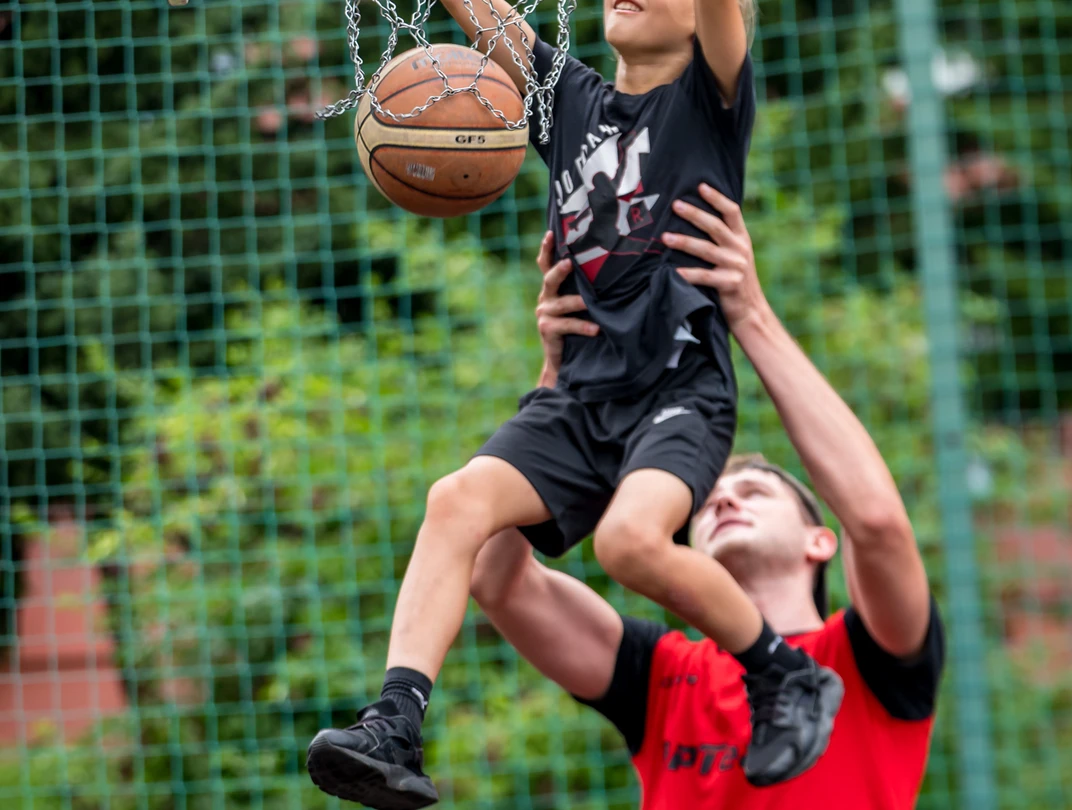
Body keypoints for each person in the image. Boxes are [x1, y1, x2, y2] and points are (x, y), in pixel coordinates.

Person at [306, 0, 842, 804]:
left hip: (678, 388)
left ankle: (782, 674)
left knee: (630, 542)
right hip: (582, 394)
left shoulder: (709, 98)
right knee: (456, 502)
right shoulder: (565, 98)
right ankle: (396, 722)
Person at [469, 186, 946, 808]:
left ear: (819, 540)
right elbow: (496, 580)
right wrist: (561, 383)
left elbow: (877, 521)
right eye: (708, 497)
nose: (722, 500)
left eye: (755, 489)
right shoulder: (662, 674)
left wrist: (748, 313)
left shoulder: (863, 661)